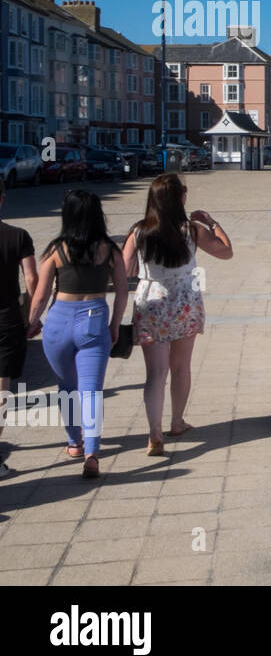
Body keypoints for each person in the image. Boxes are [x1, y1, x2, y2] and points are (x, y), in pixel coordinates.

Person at [122, 174, 233, 455]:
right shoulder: (191, 230)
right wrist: (211, 222)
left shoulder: (138, 231)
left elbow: (123, 271)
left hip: (151, 304)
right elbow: (227, 252)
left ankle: (154, 434)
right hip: (185, 303)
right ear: (179, 198)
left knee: (155, 374)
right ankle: (177, 422)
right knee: (181, 366)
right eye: (184, 192)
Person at [26, 190, 127, 479]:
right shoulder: (110, 251)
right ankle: (92, 453)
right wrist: (116, 324)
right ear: (98, 215)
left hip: (59, 321)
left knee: (67, 386)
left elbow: (41, 295)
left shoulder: (56, 250)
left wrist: (32, 323)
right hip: (94, 321)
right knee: (91, 391)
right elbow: (122, 292)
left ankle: (74, 442)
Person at [0, 181, 37, 479]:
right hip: (6, 318)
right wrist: (33, 315)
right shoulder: (17, 236)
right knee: (1, 390)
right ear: (1, 200)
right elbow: (32, 277)